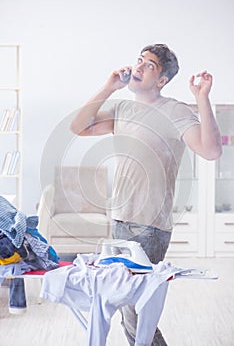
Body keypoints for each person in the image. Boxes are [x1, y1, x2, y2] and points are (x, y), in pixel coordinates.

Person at [70, 44, 222, 345]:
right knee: (127, 311)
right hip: (119, 220)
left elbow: (211, 150)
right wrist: (109, 87)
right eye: (139, 60)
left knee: (137, 313)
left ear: (162, 80)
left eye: (149, 65)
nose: (138, 67)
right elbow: (78, 126)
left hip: (150, 226)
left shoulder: (175, 111)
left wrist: (202, 99)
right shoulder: (123, 109)